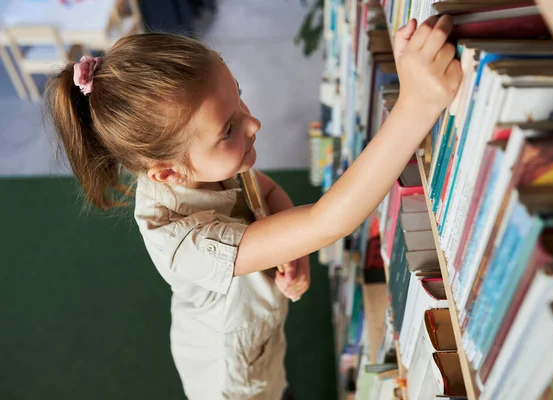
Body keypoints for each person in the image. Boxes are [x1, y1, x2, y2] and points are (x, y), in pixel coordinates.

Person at [46, 15, 461, 400]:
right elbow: (325, 222)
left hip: (260, 340)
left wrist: (289, 245)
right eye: (229, 128)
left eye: (239, 97)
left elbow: (265, 190)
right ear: (167, 174)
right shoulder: (181, 243)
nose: (254, 123)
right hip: (234, 384)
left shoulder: (209, 163)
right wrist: (414, 108)